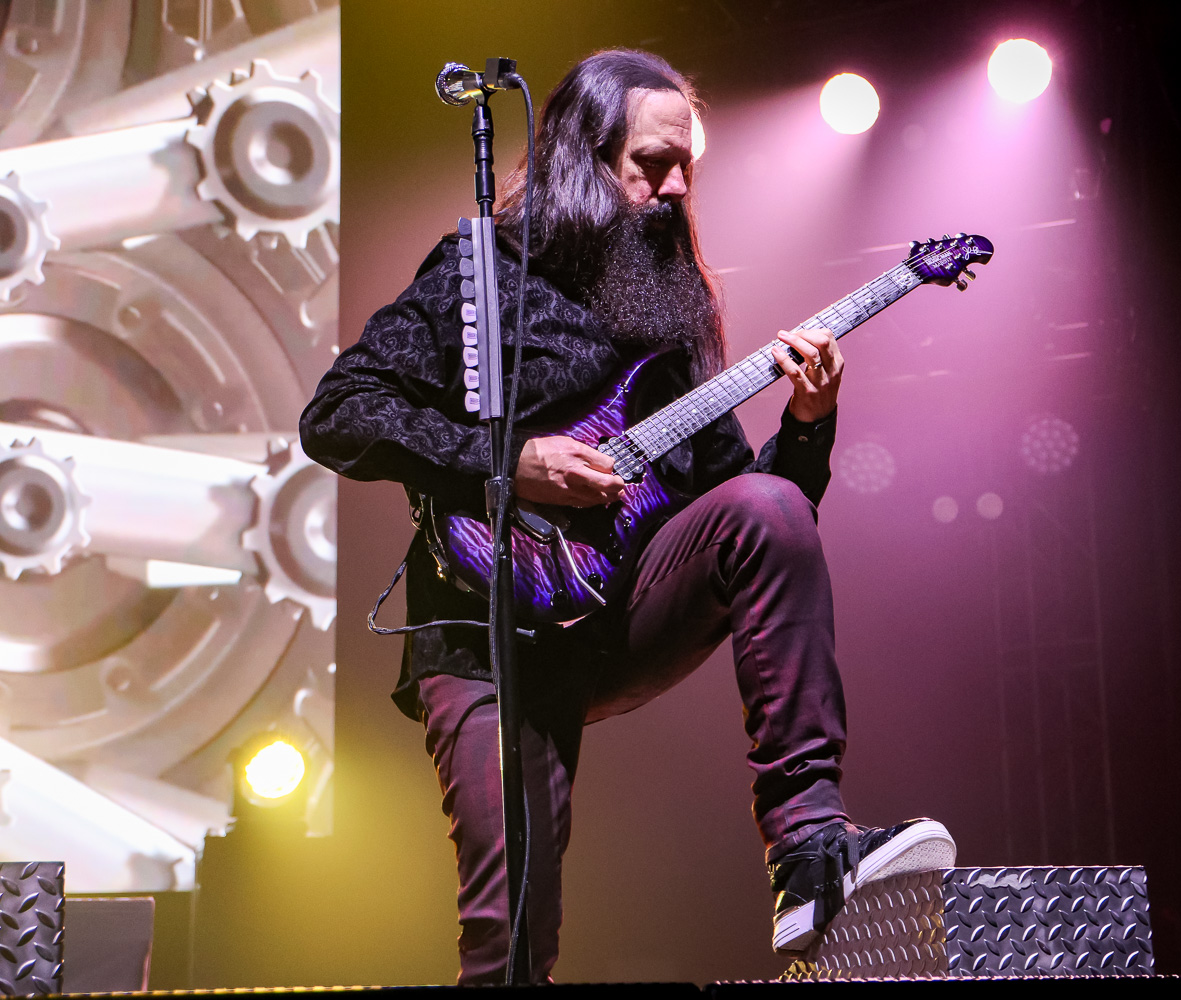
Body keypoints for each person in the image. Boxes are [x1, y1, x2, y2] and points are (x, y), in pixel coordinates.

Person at [300, 49, 955, 983]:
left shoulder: (667, 313)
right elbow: (337, 413)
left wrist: (809, 423)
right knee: (511, 937)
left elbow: (755, 515)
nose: (677, 187)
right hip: (484, 635)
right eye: (653, 164)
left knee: (768, 507)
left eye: (688, 166)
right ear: (584, 155)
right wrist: (508, 464)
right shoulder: (478, 270)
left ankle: (810, 850)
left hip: (611, 615)